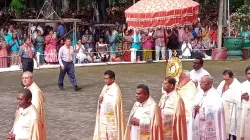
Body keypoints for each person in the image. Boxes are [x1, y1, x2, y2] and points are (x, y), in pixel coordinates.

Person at [188, 75, 226, 140]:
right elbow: (193, 106)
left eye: (203, 82)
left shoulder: (215, 95)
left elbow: (218, 109)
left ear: (210, 84)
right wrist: (194, 109)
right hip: (199, 126)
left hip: (209, 128)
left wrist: (201, 110)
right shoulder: (199, 94)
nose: (200, 83)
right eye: (201, 81)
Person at [93, 70, 126, 140]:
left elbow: (116, 104)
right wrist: (100, 101)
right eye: (104, 78)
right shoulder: (105, 87)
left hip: (112, 118)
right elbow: (101, 98)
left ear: (112, 79)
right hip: (103, 116)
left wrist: (104, 100)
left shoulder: (116, 90)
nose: (105, 80)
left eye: (107, 79)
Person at [217, 70, 242, 140]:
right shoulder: (223, 83)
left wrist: (227, 90)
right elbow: (218, 93)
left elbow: (236, 98)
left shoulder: (238, 85)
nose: (226, 81)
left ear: (232, 77)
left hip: (232, 111)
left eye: (227, 79)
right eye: (224, 79)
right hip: (223, 109)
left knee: (231, 130)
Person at [21, 71, 47, 139]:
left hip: (32, 123)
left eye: (26, 78)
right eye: (23, 78)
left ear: (32, 79)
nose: (24, 80)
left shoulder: (35, 92)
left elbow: (36, 109)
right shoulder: (26, 89)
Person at [237, 66, 250, 139]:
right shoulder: (242, 85)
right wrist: (241, 97)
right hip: (244, 109)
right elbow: (237, 97)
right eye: (249, 73)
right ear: (246, 74)